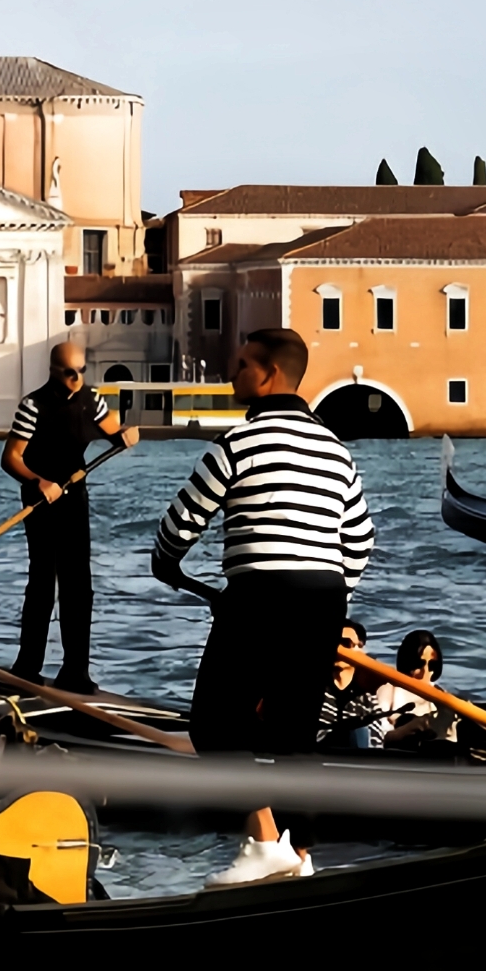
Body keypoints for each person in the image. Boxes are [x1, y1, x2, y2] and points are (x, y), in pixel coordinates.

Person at [152, 326, 375, 885]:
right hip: (323, 601)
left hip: (258, 598)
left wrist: (166, 561)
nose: (233, 373)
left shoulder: (236, 445)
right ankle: (302, 856)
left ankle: (265, 842)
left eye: (243, 364)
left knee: (212, 727)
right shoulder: (336, 450)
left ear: (270, 373)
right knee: (295, 735)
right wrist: (331, 592)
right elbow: (362, 538)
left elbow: (181, 523)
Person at [3, 341, 139, 693]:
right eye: (69, 372)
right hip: (41, 497)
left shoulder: (91, 401)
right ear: (53, 371)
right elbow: (11, 458)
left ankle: (76, 670)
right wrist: (38, 481)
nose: (76, 378)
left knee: (79, 585)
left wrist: (126, 434)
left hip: (74, 495)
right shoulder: (32, 406)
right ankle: (28, 666)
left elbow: (114, 430)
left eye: (81, 371)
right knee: (43, 581)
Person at [376, 630, 456, 750]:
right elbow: (377, 738)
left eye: (432, 665)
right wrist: (412, 727)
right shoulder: (389, 690)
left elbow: (450, 739)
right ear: (408, 660)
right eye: (419, 663)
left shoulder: (441, 697)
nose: (425, 672)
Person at [317, 617, 385, 752]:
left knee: (360, 731)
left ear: (359, 650)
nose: (338, 649)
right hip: (321, 758)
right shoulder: (316, 689)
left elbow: (377, 741)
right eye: (334, 642)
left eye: (345, 643)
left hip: (356, 762)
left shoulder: (367, 697)